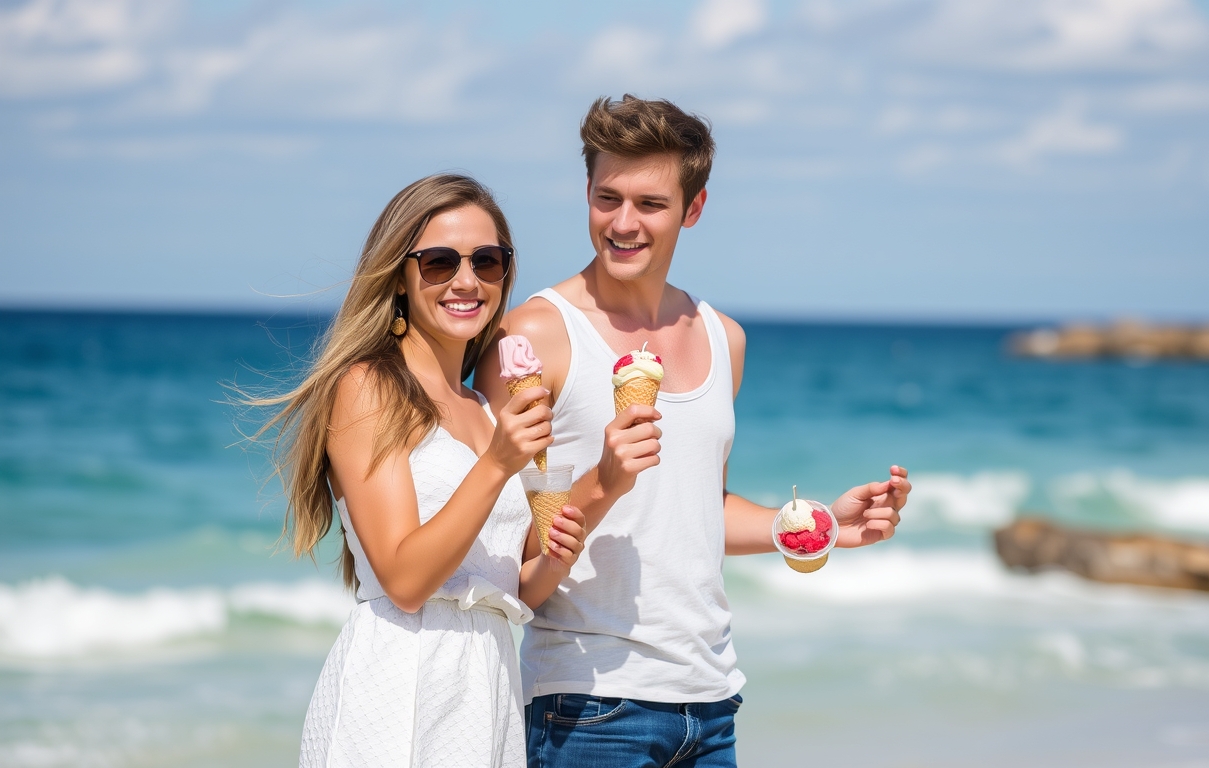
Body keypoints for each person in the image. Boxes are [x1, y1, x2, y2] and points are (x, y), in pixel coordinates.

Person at [476, 96, 912, 767]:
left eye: (650, 204)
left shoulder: (723, 338)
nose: (623, 223)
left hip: (710, 704)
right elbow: (508, 539)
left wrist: (813, 524)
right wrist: (602, 481)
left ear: (694, 208)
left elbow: (695, 510)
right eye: (606, 197)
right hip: (587, 703)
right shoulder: (534, 335)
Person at [252, 174, 587, 767]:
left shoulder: (487, 410)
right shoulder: (368, 386)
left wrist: (558, 552)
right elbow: (406, 581)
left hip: (486, 684)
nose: (466, 280)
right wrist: (497, 464)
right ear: (400, 277)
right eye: (438, 262)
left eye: (487, 261)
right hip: (401, 680)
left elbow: (510, 590)